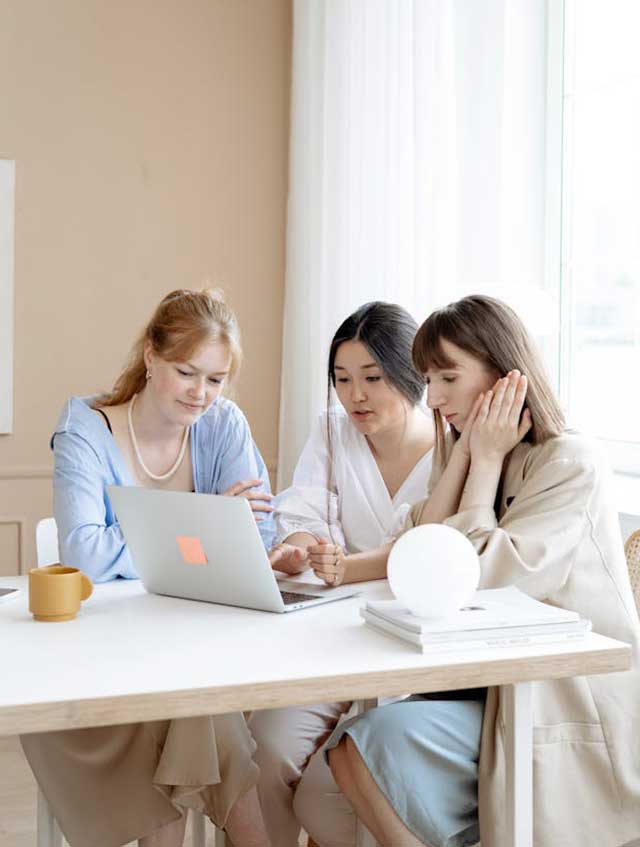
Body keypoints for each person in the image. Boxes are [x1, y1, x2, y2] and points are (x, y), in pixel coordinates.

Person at [325, 295, 640, 847]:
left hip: (560, 698)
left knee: (366, 747)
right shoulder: (467, 450)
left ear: (505, 374)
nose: (435, 397)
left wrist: (486, 459)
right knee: (350, 753)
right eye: (428, 378)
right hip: (487, 683)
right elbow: (419, 554)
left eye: (449, 376)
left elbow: (486, 580)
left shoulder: (570, 462)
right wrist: (472, 454)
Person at [21, 289, 275, 847]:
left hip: (187, 654)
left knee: (198, 704)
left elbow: (260, 535)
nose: (201, 394)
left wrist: (187, 535)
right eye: (187, 372)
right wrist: (208, 525)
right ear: (151, 357)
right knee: (206, 715)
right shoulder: (86, 429)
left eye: (216, 379)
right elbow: (84, 552)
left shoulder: (222, 424)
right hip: (97, 673)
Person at [252, 301, 435, 847]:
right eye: (342, 379)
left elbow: (431, 548)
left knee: (326, 790)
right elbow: (303, 513)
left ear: (410, 375)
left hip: (408, 650)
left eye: (373, 378)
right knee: (266, 747)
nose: (355, 395)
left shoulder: (449, 448)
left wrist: (350, 565)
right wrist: (303, 549)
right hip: (332, 639)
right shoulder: (332, 431)